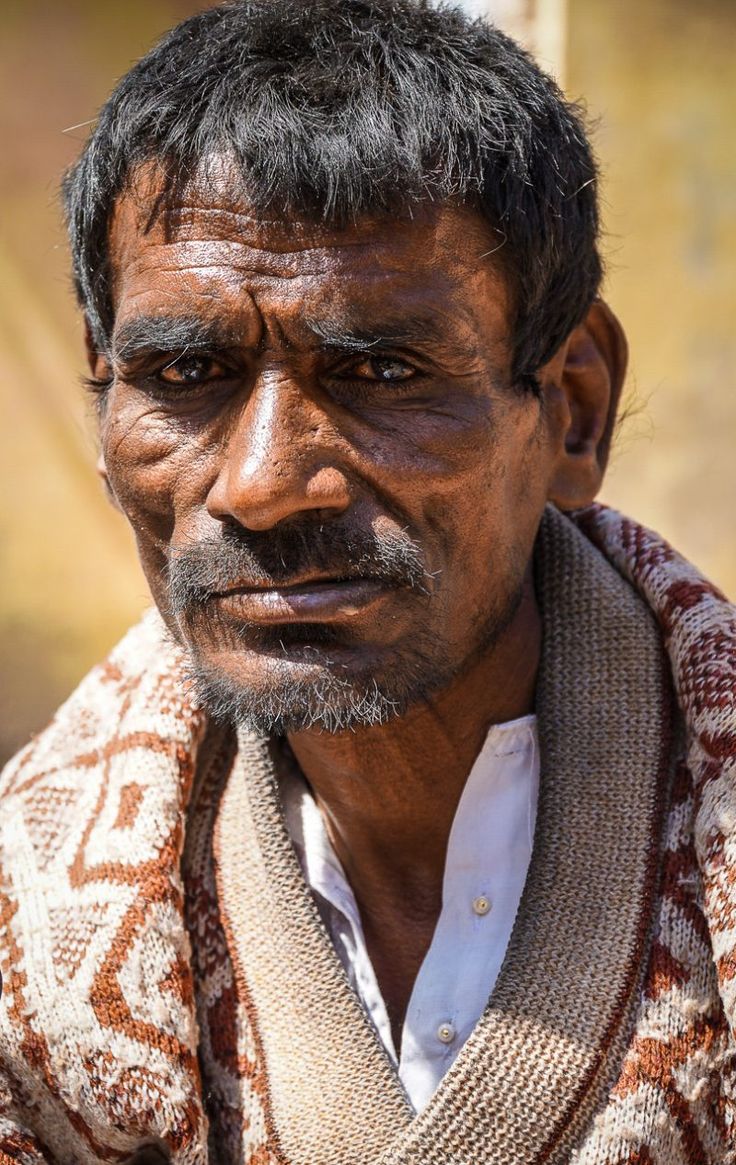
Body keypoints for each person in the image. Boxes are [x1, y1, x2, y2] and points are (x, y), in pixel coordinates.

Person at [0, 0, 734, 1161]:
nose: (262, 485)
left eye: (381, 369)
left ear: (573, 407)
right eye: (185, 372)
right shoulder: (30, 938)